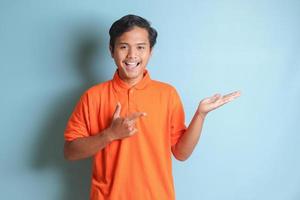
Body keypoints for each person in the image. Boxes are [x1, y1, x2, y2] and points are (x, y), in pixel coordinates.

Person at [64, 14, 241, 200]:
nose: (132, 55)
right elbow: (70, 152)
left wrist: (200, 115)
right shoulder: (93, 97)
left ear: (150, 51)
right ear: (111, 50)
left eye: (140, 47)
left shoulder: (167, 94)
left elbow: (181, 153)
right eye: (124, 47)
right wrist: (110, 134)